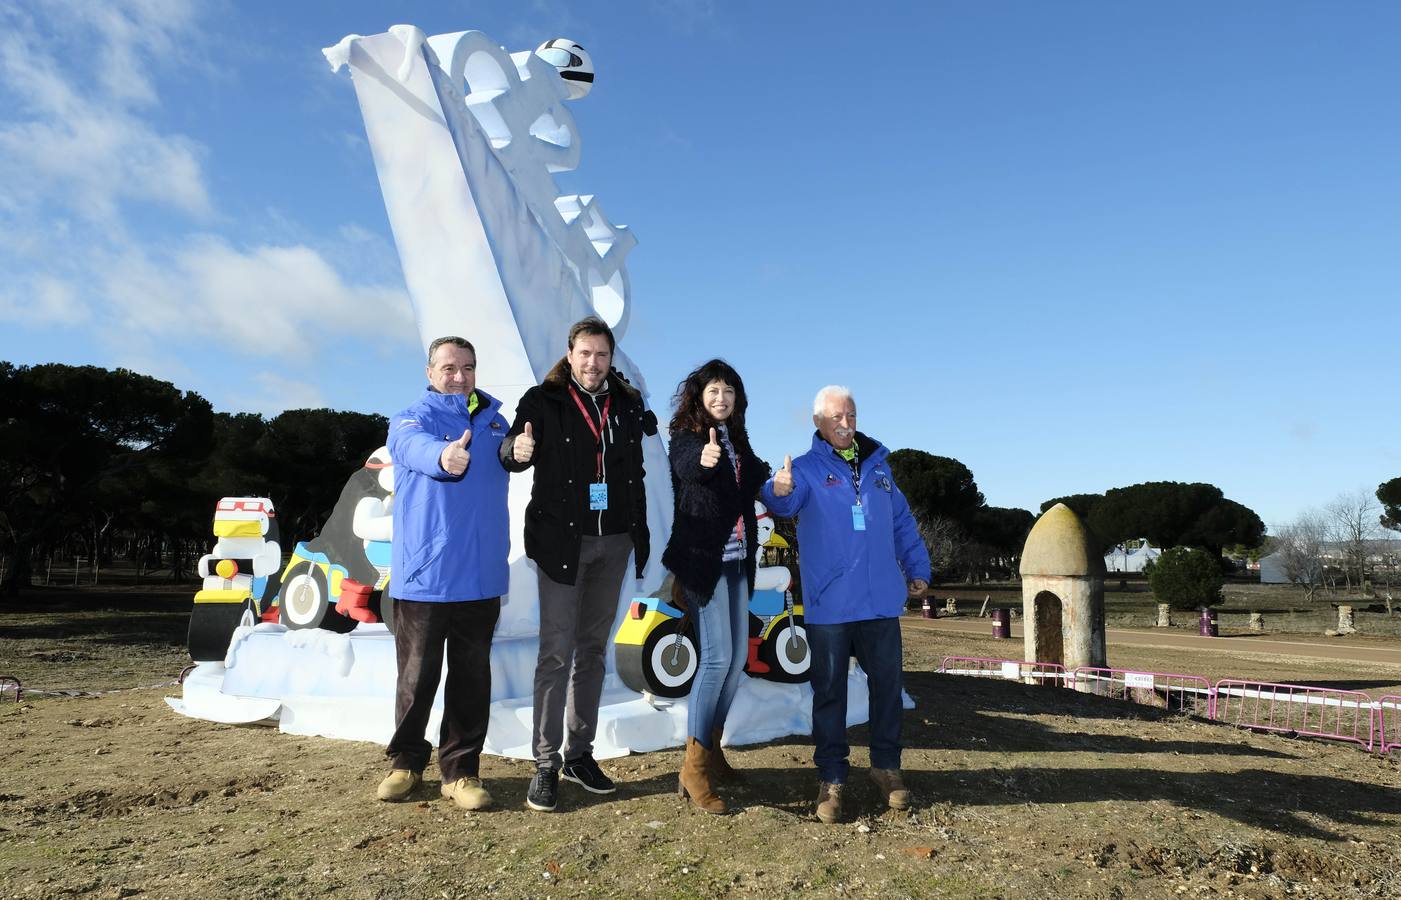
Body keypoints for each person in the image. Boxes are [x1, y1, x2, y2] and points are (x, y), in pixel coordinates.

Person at [499, 316, 653, 812]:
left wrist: (637, 533)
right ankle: (544, 763)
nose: (593, 362)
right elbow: (512, 451)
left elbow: (637, 470)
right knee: (556, 653)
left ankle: (579, 754)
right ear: (570, 355)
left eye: (602, 354)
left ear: (611, 359)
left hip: (615, 544)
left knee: (592, 652)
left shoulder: (627, 405)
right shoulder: (542, 400)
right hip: (563, 544)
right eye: (584, 353)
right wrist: (514, 449)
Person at [760, 385, 930, 824]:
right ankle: (832, 777)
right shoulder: (805, 469)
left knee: (888, 691)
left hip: (879, 604)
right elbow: (783, 500)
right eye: (836, 417)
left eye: (851, 415)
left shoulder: (880, 469)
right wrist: (776, 488)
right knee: (830, 694)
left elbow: (903, 524)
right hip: (830, 606)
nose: (845, 423)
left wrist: (918, 567)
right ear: (818, 422)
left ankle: (886, 768)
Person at [376, 336, 512, 811]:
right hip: (426, 575)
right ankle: (406, 763)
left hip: (481, 572)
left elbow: (510, 456)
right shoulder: (411, 418)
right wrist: (443, 457)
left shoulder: (496, 420)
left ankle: (461, 772)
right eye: (449, 367)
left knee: (472, 680)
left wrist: (521, 450)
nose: (459, 376)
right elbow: (412, 447)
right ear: (430, 371)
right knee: (416, 677)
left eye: (468, 368)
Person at [661, 359, 771, 814]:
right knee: (717, 659)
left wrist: (779, 480)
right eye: (713, 391)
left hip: (739, 562)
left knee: (737, 661)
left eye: (728, 392)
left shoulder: (739, 440)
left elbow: (760, 477)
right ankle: (693, 767)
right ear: (698, 397)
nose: (720, 398)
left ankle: (711, 749)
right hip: (705, 562)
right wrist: (705, 460)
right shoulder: (687, 437)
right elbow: (688, 468)